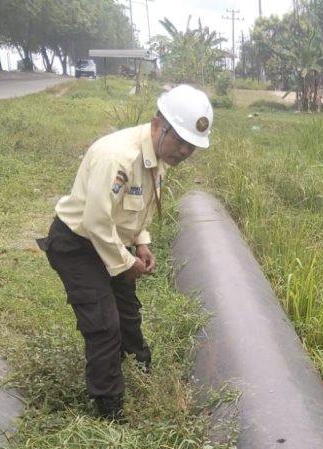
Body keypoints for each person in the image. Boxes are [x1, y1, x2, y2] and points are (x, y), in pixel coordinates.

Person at [37, 84, 213, 423]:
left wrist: (141, 243)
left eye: (193, 145)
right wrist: (125, 262)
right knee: (104, 324)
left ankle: (139, 369)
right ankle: (110, 408)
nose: (185, 151)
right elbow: (95, 221)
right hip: (78, 244)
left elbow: (138, 206)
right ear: (158, 125)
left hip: (113, 240)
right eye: (181, 140)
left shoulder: (158, 155)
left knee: (128, 313)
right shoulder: (118, 157)